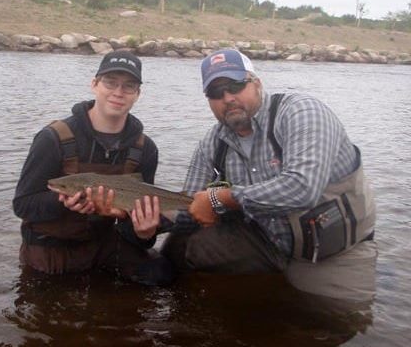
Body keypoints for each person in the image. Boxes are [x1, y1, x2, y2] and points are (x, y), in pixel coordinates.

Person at [159, 48, 376, 290]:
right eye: (216, 92)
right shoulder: (211, 143)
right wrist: (149, 222)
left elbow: (302, 189)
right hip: (265, 243)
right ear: (208, 99)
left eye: (236, 85)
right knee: (180, 245)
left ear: (257, 84)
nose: (228, 97)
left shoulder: (301, 112)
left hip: (334, 253)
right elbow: (191, 204)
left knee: (337, 322)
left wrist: (220, 197)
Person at [12, 50, 175, 286]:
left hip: (106, 246)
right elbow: (22, 204)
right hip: (52, 248)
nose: (118, 92)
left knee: (161, 275)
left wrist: (145, 233)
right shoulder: (53, 139)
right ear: (94, 84)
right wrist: (61, 202)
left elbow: (135, 232)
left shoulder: (146, 149)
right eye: (110, 82)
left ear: (137, 94)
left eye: (128, 86)